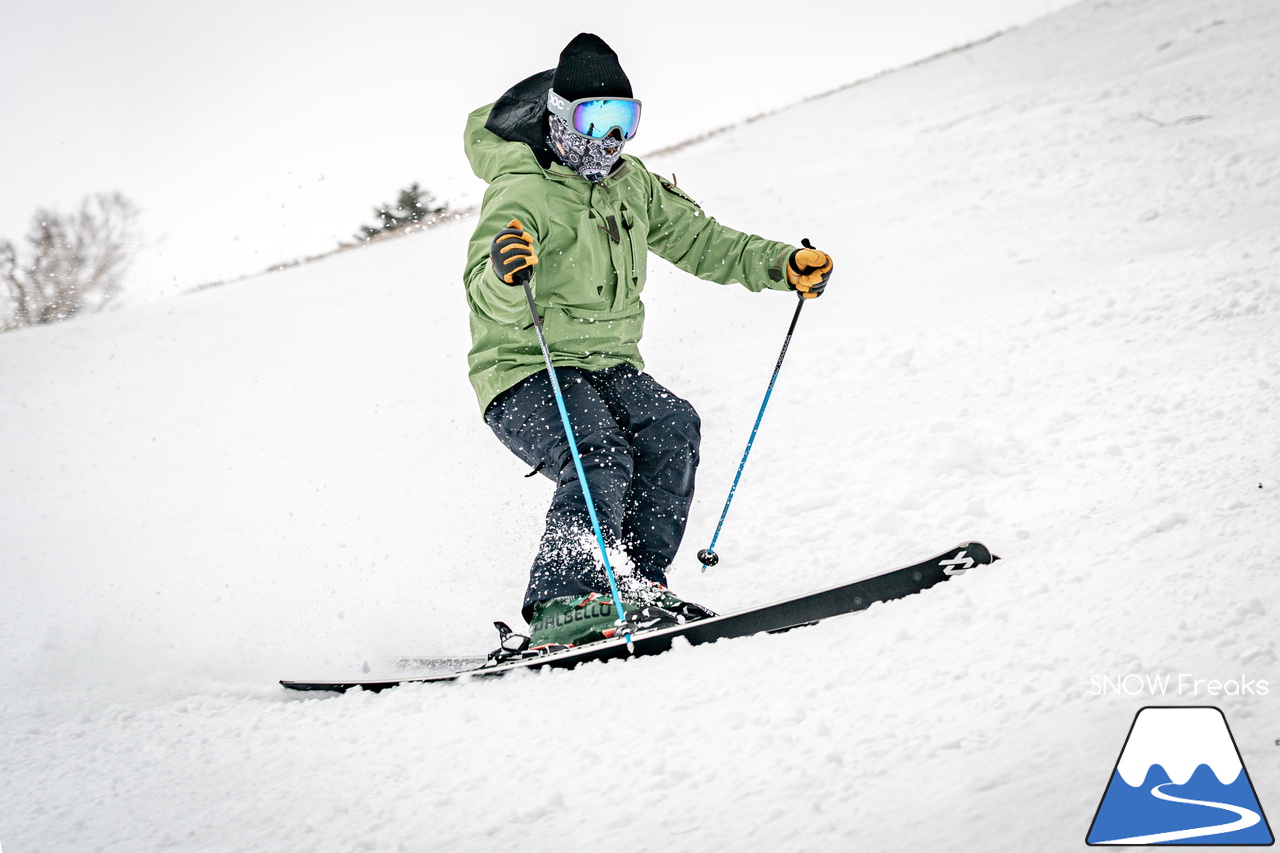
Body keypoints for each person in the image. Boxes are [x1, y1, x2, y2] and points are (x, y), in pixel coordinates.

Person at [462, 33, 833, 649]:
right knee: (596, 454)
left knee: (671, 428)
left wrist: (780, 264)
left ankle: (632, 585)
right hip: (524, 368)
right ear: (560, 115)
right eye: (596, 118)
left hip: (608, 362)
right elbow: (483, 291)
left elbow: (700, 240)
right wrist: (506, 270)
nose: (612, 138)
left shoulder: (629, 183)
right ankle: (566, 602)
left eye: (625, 119)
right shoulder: (522, 190)